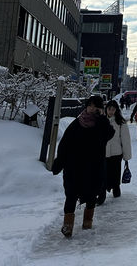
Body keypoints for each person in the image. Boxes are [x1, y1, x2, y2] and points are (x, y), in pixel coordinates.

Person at [51, 94, 114, 237]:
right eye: (90, 105)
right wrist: (59, 163)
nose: (92, 109)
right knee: (71, 195)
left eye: (96, 106)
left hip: (93, 168)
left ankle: (87, 221)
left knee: (92, 195)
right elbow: (64, 145)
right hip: (74, 167)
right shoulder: (76, 123)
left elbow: (109, 134)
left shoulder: (101, 125)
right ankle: (67, 226)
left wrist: (102, 118)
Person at [97, 100, 132, 204]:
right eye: (109, 109)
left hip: (116, 153)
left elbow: (125, 140)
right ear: (106, 109)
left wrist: (126, 156)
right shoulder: (101, 121)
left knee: (115, 173)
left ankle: (116, 189)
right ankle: (102, 194)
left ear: (116, 110)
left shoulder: (120, 122)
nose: (111, 111)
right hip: (103, 153)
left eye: (113, 109)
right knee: (103, 174)